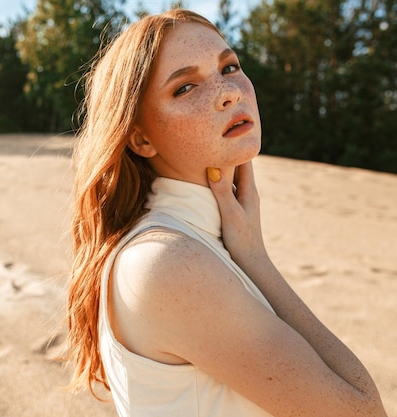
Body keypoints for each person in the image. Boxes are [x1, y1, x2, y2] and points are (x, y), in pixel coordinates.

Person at [66, 8, 387, 417]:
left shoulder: (192, 240)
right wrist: (256, 260)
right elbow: (363, 411)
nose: (228, 91)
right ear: (141, 138)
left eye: (229, 66)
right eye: (184, 88)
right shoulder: (166, 261)